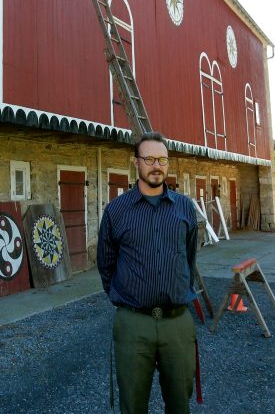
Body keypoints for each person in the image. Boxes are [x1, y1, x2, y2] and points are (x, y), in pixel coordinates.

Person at [97, 131, 198, 414]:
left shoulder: (185, 208)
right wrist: (123, 294)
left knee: (180, 404)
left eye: (163, 160)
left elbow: (189, 257)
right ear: (135, 162)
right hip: (133, 324)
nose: (157, 166)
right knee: (132, 404)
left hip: (177, 324)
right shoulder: (116, 211)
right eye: (149, 159)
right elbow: (105, 263)